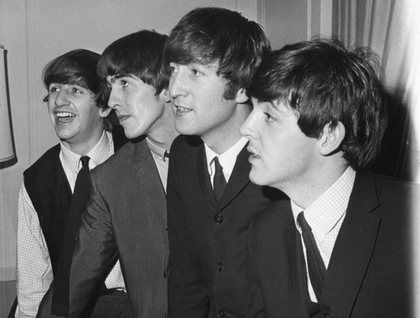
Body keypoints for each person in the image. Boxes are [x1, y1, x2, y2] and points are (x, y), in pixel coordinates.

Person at [241, 38, 415, 317]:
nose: (246, 128)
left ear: (328, 135)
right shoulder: (264, 234)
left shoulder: (410, 219)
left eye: (270, 117)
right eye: (252, 109)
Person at [37, 29, 177, 318]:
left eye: (125, 83)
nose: (111, 100)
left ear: (166, 87)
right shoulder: (111, 178)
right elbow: (75, 279)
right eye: (110, 87)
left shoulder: (215, 153)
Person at [165, 7, 284, 317]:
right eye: (174, 69)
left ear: (242, 88)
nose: (173, 90)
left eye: (195, 72)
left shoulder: (282, 160)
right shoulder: (183, 154)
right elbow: (185, 272)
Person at [15, 49, 127, 318]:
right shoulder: (36, 181)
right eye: (54, 90)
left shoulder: (136, 159)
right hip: (69, 308)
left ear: (103, 105)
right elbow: (33, 277)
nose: (59, 101)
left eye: (75, 90)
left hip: (138, 304)